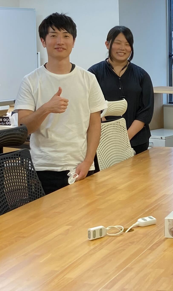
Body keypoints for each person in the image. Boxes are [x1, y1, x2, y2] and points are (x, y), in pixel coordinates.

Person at [15, 13, 106, 195]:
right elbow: (24, 127)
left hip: (80, 165)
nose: (60, 41)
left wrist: (88, 161)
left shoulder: (88, 79)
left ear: (73, 41)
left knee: (84, 213)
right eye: (53, 35)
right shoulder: (31, 81)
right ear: (43, 41)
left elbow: (95, 124)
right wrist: (46, 108)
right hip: (43, 167)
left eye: (66, 36)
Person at [88, 26, 154, 153]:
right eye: (118, 43)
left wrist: (125, 138)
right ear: (107, 44)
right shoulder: (93, 74)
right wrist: (109, 135)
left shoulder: (142, 75)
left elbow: (146, 111)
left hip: (137, 142)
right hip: (103, 142)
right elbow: (91, 106)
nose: (122, 48)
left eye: (127, 44)